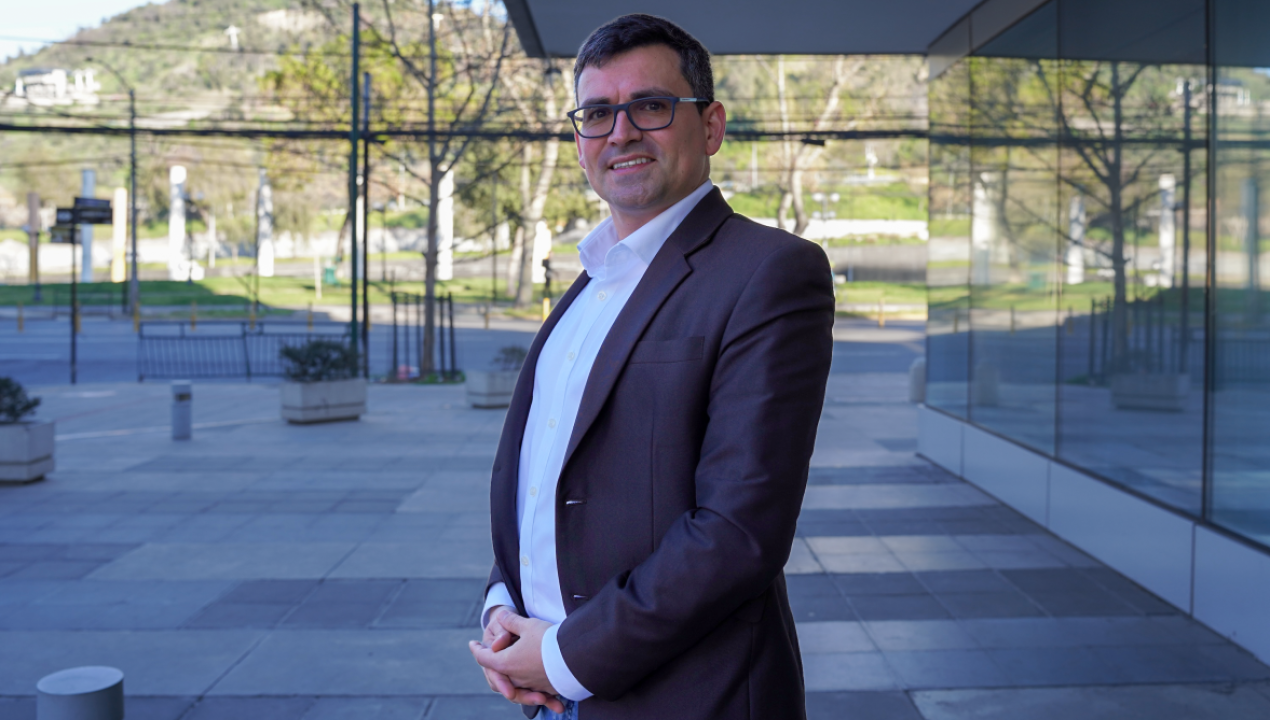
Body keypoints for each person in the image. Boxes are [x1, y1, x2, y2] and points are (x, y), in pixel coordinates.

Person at [469, 13, 834, 719]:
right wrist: (503, 604)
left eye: (651, 106)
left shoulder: (770, 272)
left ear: (711, 126)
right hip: (551, 693)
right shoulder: (589, 283)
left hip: (689, 699)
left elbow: (739, 531)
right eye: (597, 113)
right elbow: (546, 479)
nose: (621, 132)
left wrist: (564, 657)